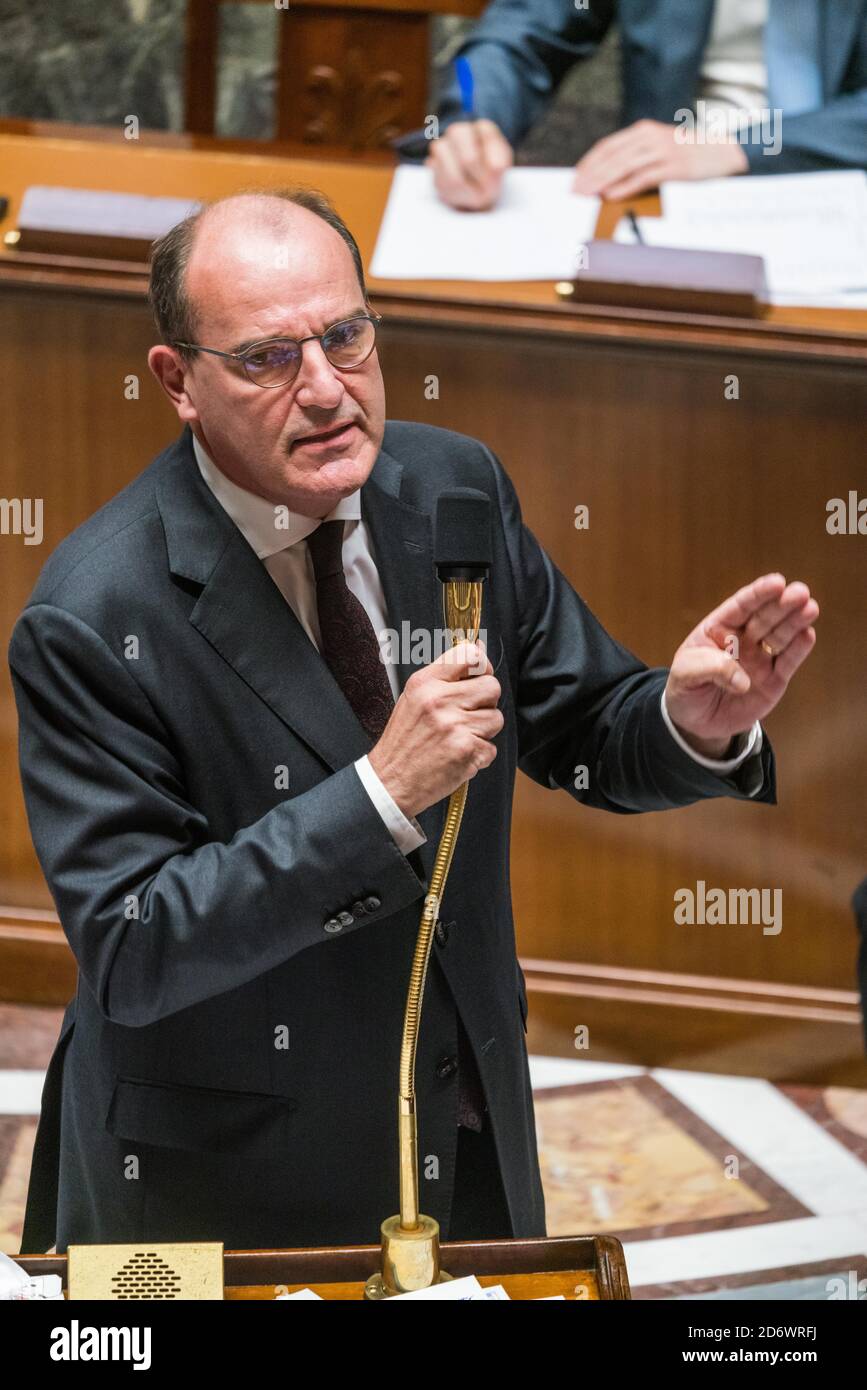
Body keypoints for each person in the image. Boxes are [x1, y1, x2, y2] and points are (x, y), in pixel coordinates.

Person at [9, 188, 818, 1255]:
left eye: (346, 336)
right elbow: (135, 944)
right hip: (230, 1189)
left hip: (463, 1135)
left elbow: (583, 724)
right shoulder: (95, 615)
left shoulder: (450, 488)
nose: (325, 389)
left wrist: (687, 718)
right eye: (266, 358)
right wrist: (379, 795)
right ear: (179, 382)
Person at [397, 0, 867, 210]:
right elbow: (516, 32)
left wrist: (741, 149)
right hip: (660, 198)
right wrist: (472, 115)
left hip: (837, 179)